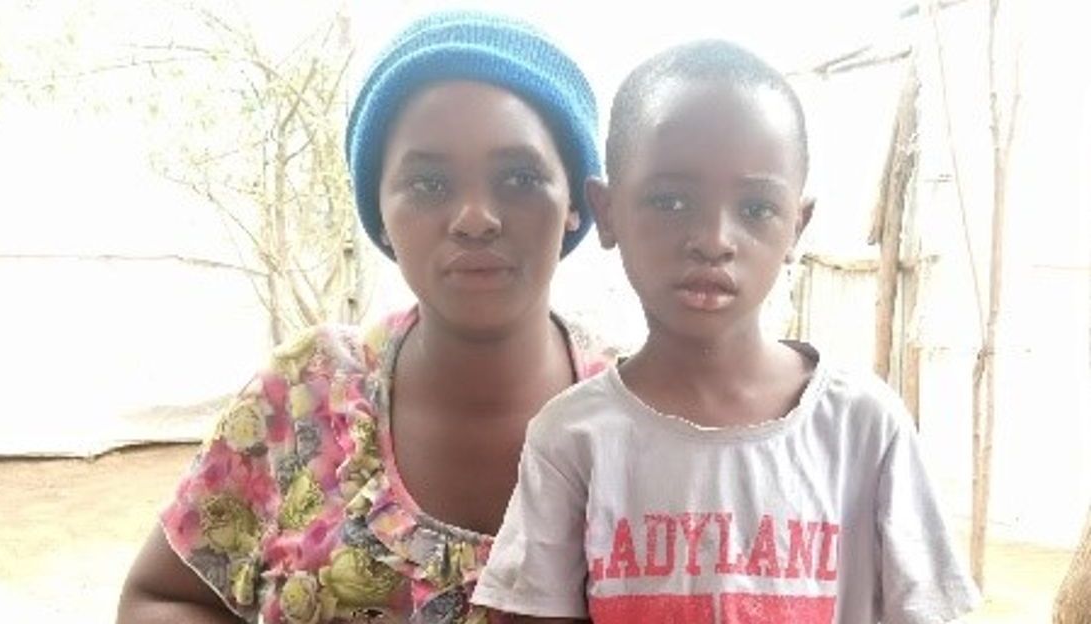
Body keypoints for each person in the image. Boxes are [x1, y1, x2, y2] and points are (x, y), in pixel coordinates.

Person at [117, 10, 610, 623]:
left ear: (575, 204)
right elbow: (160, 598)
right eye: (429, 183)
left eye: (518, 177)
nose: (475, 217)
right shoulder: (304, 396)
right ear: (377, 211)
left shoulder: (643, 423)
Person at [472, 39, 980, 624]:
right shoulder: (575, 437)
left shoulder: (862, 427)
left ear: (797, 225)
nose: (713, 238)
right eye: (670, 200)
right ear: (608, 213)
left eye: (757, 208)